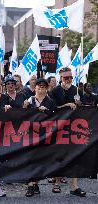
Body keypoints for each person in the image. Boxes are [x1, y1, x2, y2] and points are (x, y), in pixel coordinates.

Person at [49, 67, 86, 197]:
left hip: (74, 127)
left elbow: (84, 107)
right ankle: (56, 183)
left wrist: (79, 103)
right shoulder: (54, 91)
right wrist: (65, 106)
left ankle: (75, 186)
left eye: (70, 77)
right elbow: (51, 109)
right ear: (60, 78)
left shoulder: (76, 90)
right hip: (59, 127)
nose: (69, 80)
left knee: (75, 155)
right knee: (60, 155)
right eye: (66, 78)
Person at [23, 78, 56, 197]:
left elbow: (55, 117)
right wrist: (25, 107)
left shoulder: (51, 101)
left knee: (40, 161)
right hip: (31, 135)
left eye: (43, 86)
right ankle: (30, 185)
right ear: (35, 88)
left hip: (45, 135)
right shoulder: (29, 100)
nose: (41, 88)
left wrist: (47, 112)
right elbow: (22, 117)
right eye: (39, 86)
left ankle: (35, 183)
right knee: (30, 160)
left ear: (47, 88)